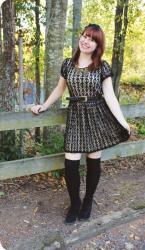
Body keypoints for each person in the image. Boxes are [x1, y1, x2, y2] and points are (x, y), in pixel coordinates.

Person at [31, 23, 131, 224]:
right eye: (85, 36)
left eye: (92, 39)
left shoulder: (102, 67)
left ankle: (88, 201)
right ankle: (75, 202)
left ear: (97, 45)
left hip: (97, 115)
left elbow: (110, 97)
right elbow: (60, 89)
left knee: (94, 161)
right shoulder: (68, 64)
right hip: (76, 115)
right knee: (71, 163)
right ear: (81, 37)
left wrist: (123, 122)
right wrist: (44, 106)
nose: (87, 41)